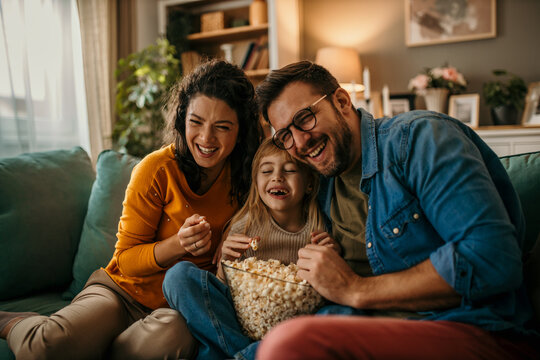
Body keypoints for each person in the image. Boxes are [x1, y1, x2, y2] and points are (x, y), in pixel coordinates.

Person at [253, 60, 539, 359]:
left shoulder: (420, 138)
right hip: (362, 325)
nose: (299, 141)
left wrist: (355, 289)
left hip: (470, 328)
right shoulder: (319, 182)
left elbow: (491, 258)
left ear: (341, 101)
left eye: (305, 118)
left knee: (291, 343)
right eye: (285, 135)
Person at [0, 59, 262, 360]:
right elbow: (125, 260)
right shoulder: (156, 169)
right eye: (196, 122)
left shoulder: (247, 178)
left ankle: (93, 347)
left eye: (222, 127)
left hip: (176, 310)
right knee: (45, 348)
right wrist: (178, 244)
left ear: (240, 131)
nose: (205, 138)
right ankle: (13, 322)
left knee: (169, 342)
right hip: (120, 294)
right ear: (181, 119)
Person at [162, 137, 340, 360]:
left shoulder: (320, 228)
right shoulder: (245, 225)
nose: (277, 177)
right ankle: (247, 353)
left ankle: (236, 354)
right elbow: (224, 291)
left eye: (290, 170)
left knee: (339, 314)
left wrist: (332, 258)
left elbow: (329, 290)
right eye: (266, 171)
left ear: (310, 183)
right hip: (242, 319)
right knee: (178, 276)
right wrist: (225, 263)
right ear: (256, 182)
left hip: (293, 325)